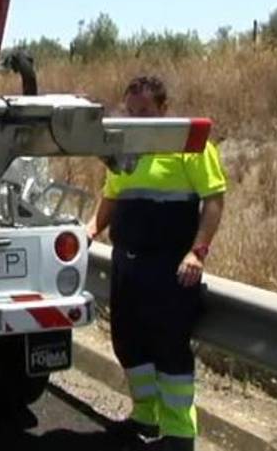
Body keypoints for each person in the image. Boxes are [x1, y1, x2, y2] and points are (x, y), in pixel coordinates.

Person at [87, 76, 227, 451]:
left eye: (145, 111)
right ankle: (144, 418)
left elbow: (214, 200)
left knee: (168, 351)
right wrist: (89, 231)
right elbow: (111, 196)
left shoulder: (190, 146)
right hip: (127, 265)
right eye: (130, 112)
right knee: (128, 344)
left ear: (164, 109)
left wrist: (197, 251)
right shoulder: (125, 149)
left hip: (169, 268)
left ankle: (179, 434)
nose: (136, 119)